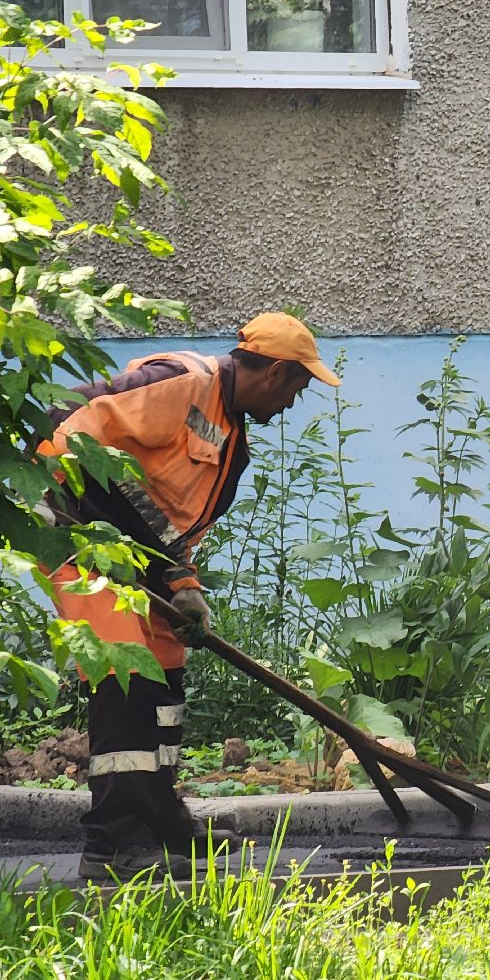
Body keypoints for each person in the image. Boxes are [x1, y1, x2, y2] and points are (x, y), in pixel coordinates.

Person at [38, 313, 339, 879]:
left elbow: (170, 523)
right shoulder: (182, 381)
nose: (295, 404)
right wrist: (162, 571)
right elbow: (67, 425)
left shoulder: (230, 440)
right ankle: (114, 846)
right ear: (276, 372)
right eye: (299, 387)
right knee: (124, 667)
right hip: (72, 529)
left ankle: (158, 820)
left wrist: (185, 586)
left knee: (163, 665)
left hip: (136, 556)